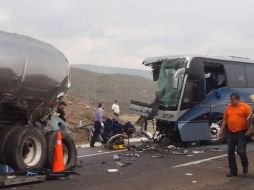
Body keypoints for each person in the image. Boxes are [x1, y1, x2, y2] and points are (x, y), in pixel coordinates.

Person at [219, 93, 251, 177]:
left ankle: (245, 166)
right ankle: (233, 171)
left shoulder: (245, 107)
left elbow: (249, 120)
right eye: (230, 100)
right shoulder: (228, 107)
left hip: (241, 132)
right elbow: (225, 119)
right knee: (230, 152)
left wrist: (249, 130)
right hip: (230, 132)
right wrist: (221, 130)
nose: (231, 101)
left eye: (232, 100)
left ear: (237, 99)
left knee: (241, 151)